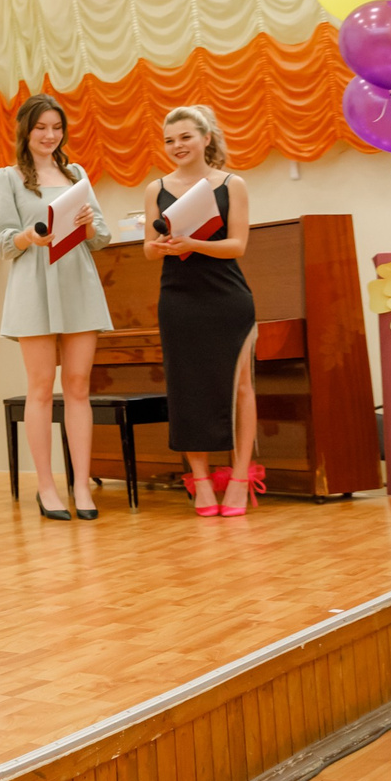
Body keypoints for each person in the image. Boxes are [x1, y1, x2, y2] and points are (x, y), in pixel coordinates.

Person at [0, 95, 115, 521]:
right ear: (25, 130)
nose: (50, 135)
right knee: (41, 387)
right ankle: (46, 487)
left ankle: (81, 486)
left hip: (77, 280)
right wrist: (29, 236)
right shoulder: (6, 178)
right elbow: (2, 243)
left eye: (57, 127)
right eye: (41, 127)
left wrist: (88, 225)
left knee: (78, 386)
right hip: (33, 283)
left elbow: (101, 237)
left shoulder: (76, 174)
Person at [143, 105, 259, 518]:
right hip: (178, 299)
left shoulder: (231, 184)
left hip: (226, 297)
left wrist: (194, 245)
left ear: (206, 138)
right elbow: (148, 251)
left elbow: (237, 245)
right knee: (186, 388)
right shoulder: (156, 188)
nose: (177, 146)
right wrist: (160, 245)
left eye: (185, 137)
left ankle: (241, 478)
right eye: (169, 140)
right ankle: (202, 481)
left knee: (240, 386)